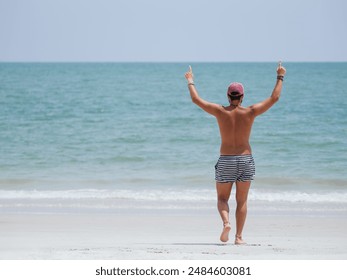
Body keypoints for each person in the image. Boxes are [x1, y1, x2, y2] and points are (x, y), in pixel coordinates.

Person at [184, 62, 286, 244]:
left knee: (222, 198)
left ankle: (226, 223)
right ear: (242, 96)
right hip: (246, 160)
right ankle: (239, 238)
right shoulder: (251, 112)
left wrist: (190, 80)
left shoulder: (219, 111)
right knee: (242, 201)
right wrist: (280, 76)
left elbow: (196, 100)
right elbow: (274, 98)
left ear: (228, 96)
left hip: (226, 160)